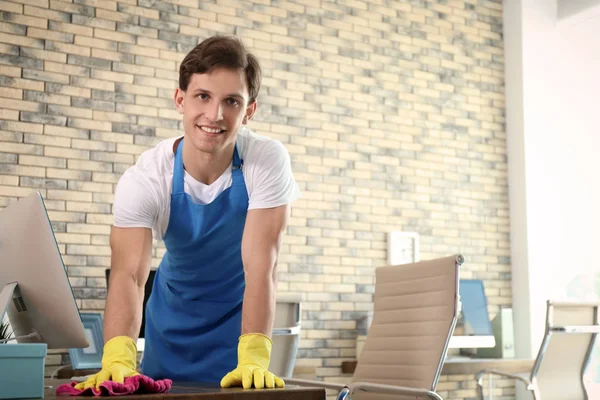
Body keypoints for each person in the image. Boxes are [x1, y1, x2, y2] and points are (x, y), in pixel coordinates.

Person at [75, 35, 300, 391]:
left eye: (231, 101)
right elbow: (129, 276)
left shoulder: (265, 161)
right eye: (203, 96)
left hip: (240, 324)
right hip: (171, 327)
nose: (215, 114)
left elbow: (262, 267)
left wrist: (254, 354)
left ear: (249, 110)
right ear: (180, 99)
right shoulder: (148, 177)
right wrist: (118, 355)